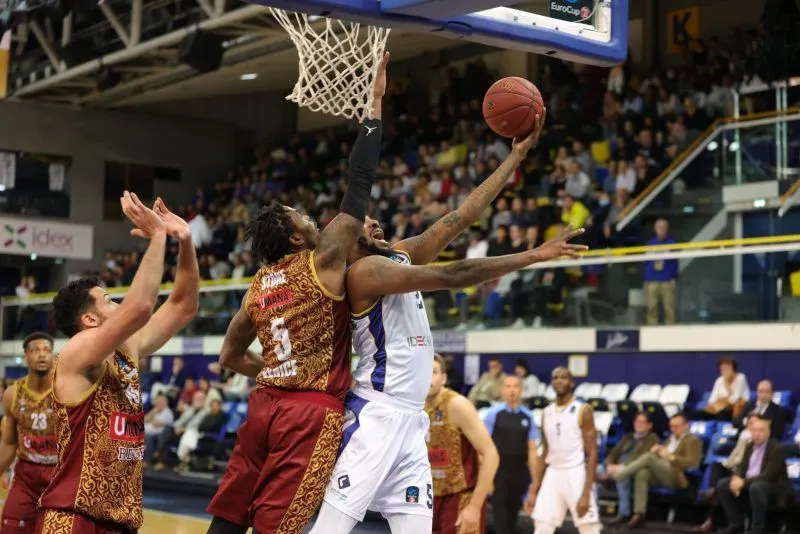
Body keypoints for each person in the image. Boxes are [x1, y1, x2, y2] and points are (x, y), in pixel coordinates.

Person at [311, 121, 589, 534]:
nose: (372, 222)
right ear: (348, 242)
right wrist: (534, 255)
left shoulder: (399, 254)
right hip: (377, 414)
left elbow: (462, 216)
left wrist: (515, 156)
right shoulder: (364, 273)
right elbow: (457, 274)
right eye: (362, 223)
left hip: (410, 420)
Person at [204, 53, 390, 534]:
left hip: (266, 402)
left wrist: (276, 371)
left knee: (229, 513)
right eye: (302, 216)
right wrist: (374, 110)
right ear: (294, 238)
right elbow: (359, 184)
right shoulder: (322, 259)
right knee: (278, 524)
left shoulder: (259, 285)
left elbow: (228, 356)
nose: (310, 216)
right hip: (309, 411)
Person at [37, 194, 199, 533]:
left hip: (119, 520)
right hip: (75, 518)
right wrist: (157, 237)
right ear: (89, 320)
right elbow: (140, 307)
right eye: (109, 300)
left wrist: (184, 241)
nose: (119, 303)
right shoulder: (77, 352)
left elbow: (183, 305)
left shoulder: (127, 349)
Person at [425, 354, 499, 534]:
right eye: (421, 371)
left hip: (460, 496)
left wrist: (474, 506)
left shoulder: (457, 405)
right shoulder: (411, 408)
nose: (426, 377)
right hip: (426, 496)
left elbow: (491, 454)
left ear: (443, 378)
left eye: (433, 372)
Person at [524, 367, 601, 534]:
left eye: (564, 377)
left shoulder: (583, 410)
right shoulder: (546, 412)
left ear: (572, 383)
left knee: (589, 528)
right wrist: (534, 488)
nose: (559, 380)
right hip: (553, 473)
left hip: (576, 472)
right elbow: (544, 453)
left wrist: (586, 492)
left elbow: (593, 453)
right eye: (555, 377)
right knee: (542, 527)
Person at [0, 332, 56, 533]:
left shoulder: (65, 388)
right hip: (26, 476)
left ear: (53, 356)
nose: (42, 355)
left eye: (47, 350)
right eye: (35, 350)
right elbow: (8, 442)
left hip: (59, 476)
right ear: (26, 357)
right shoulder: (12, 394)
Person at [608, 413, 701, 528]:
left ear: (686, 426)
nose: (673, 429)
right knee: (642, 473)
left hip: (676, 475)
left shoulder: (692, 440)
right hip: (661, 472)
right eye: (671, 426)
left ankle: (619, 475)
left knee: (648, 457)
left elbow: (693, 463)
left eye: (676, 426)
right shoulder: (670, 439)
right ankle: (639, 514)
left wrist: (671, 457)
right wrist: (657, 451)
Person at [716, 414, 793, 534]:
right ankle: (736, 523)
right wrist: (736, 479)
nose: (757, 434)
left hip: (773, 486)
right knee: (723, 484)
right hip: (750, 483)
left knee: (757, 486)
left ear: (768, 432)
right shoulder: (749, 446)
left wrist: (743, 482)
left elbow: (768, 475)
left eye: (761, 430)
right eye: (754, 430)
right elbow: (741, 468)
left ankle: (757, 528)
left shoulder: (776, 448)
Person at [483, 376, 539, 534]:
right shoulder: (493, 414)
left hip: (519, 472)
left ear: (521, 390)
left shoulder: (528, 417)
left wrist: (534, 481)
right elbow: (484, 447)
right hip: (498, 472)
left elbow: (532, 451)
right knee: (500, 519)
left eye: (515, 386)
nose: (512, 390)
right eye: (508, 386)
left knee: (513, 518)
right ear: (502, 390)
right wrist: (486, 478)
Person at [601, 411, 659, 526]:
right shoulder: (627, 437)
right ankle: (592, 511)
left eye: (643, 422)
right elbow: (613, 454)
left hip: (632, 469)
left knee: (623, 476)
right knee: (593, 472)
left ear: (649, 425)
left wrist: (620, 467)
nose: (639, 424)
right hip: (615, 467)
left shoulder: (652, 439)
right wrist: (609, 465)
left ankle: (624, 513)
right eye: (637, 421)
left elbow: (640, 458)